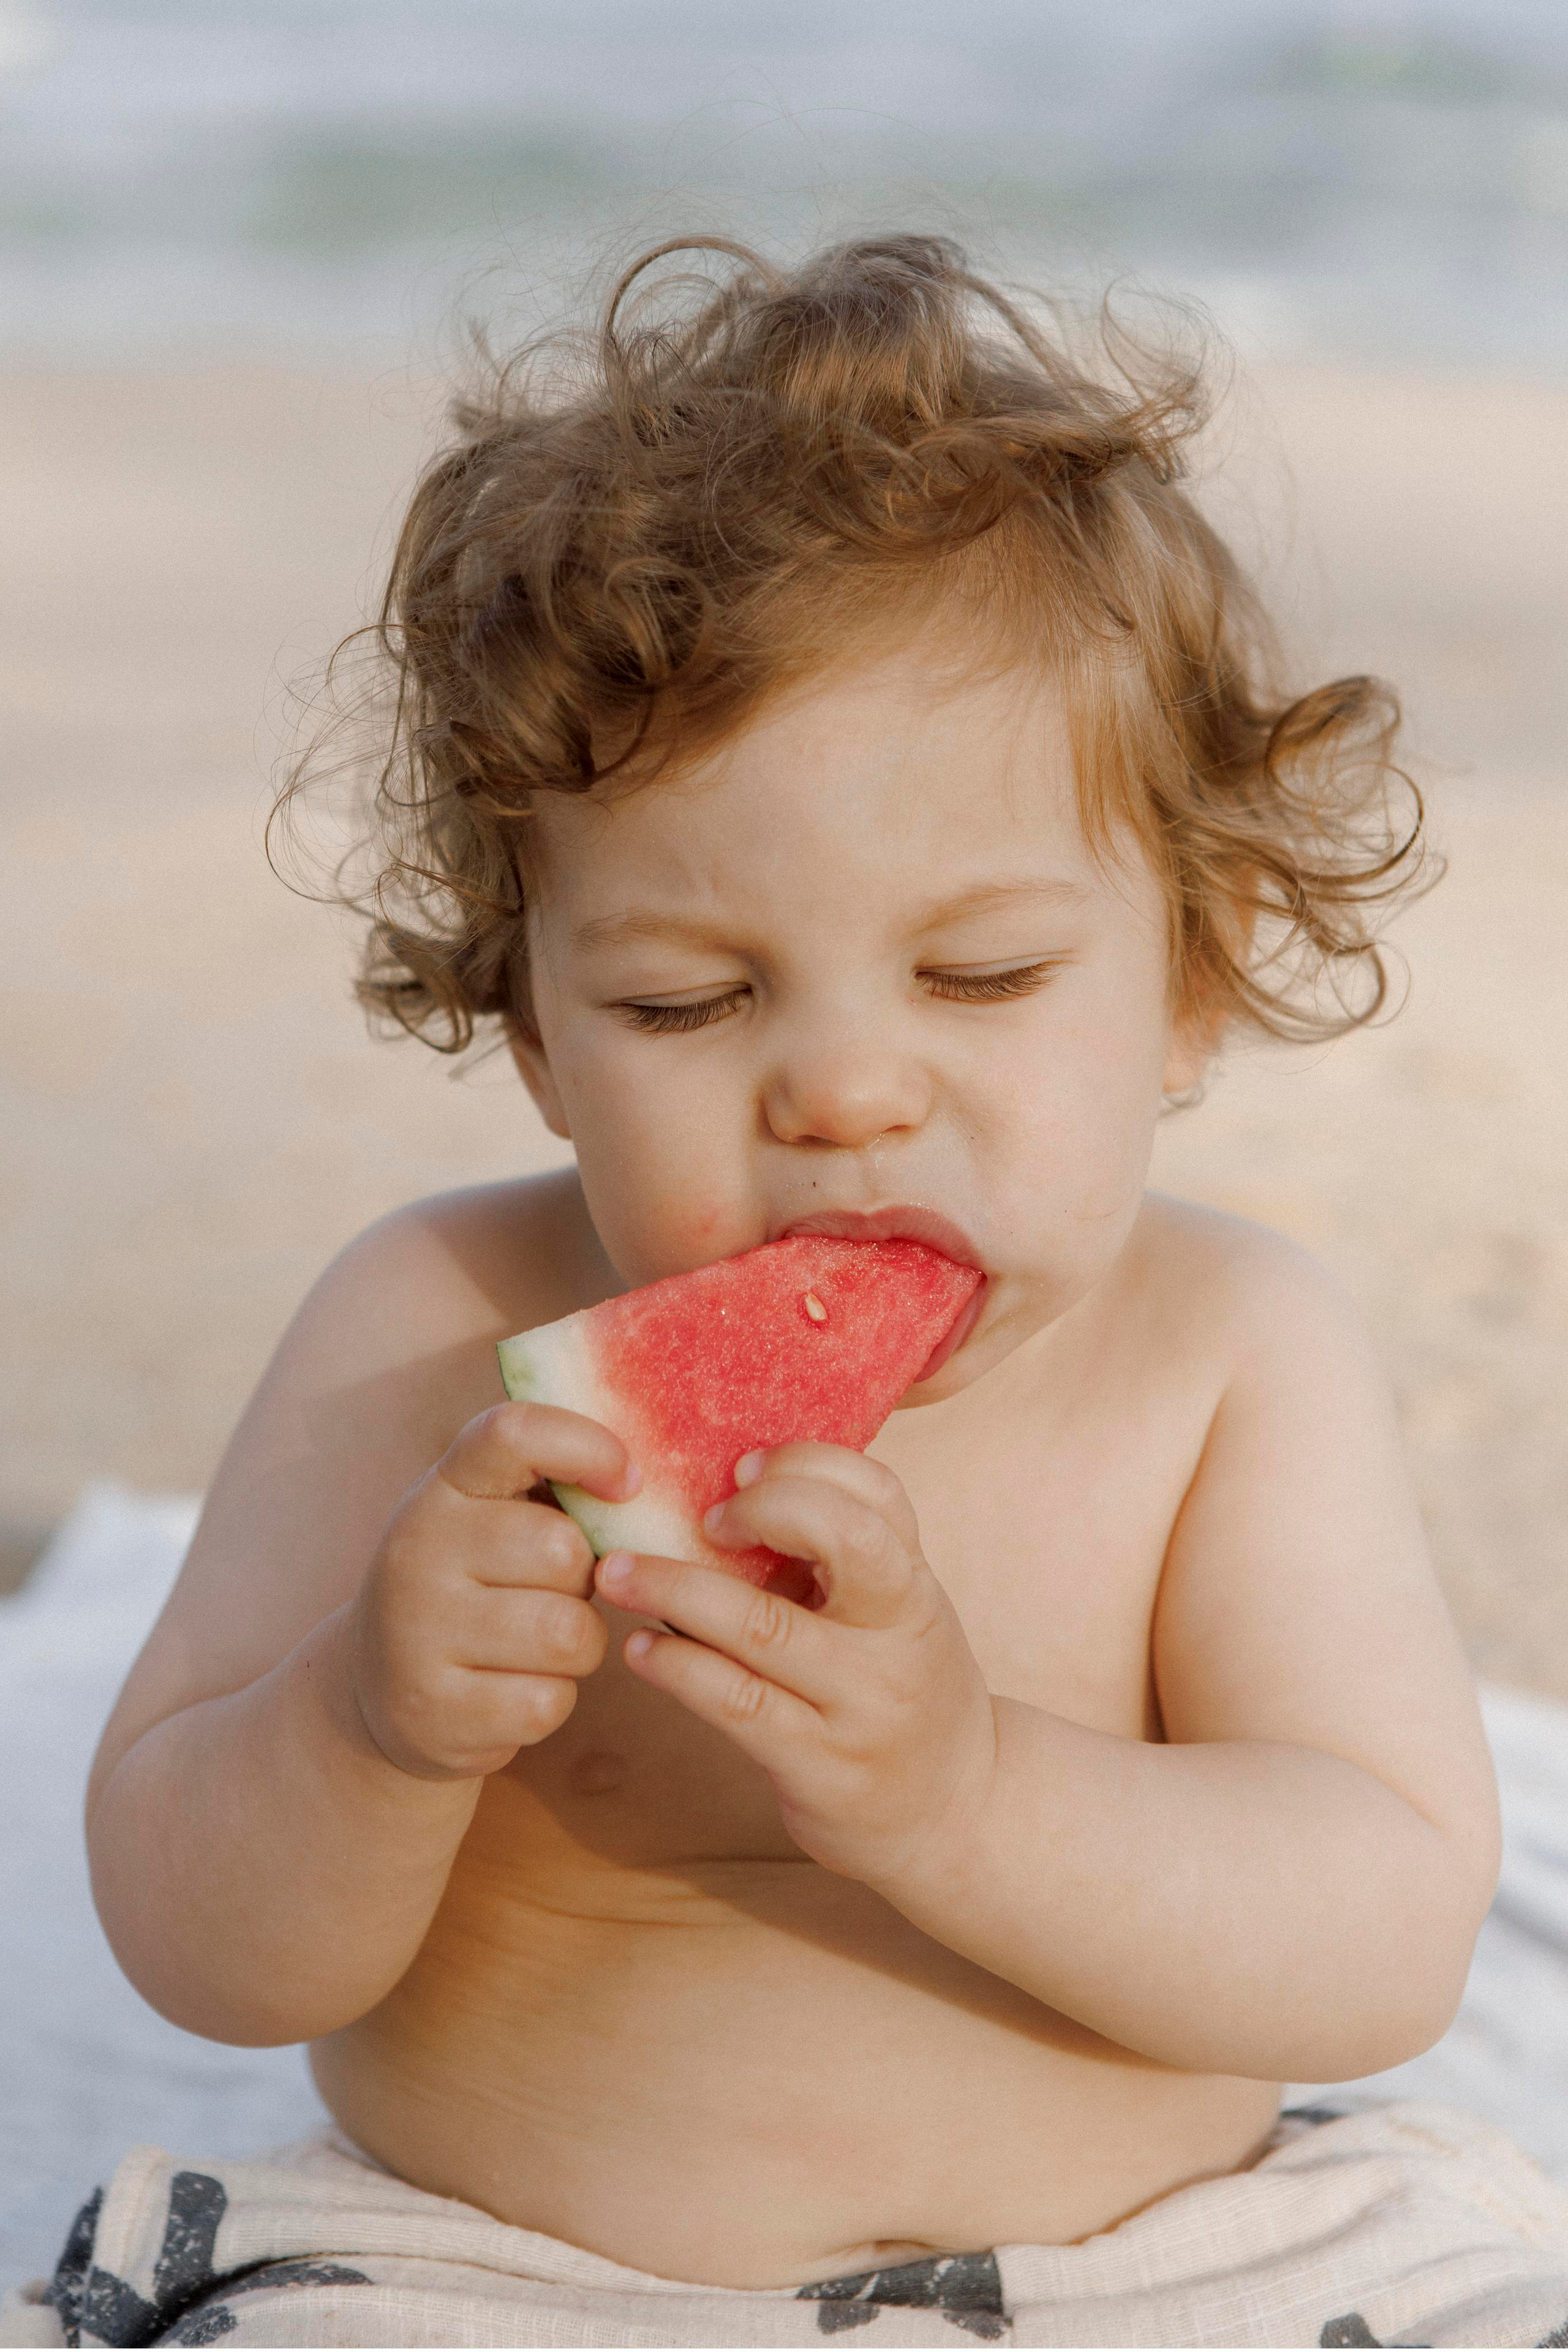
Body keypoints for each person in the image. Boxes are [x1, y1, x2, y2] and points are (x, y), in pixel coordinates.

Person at [12, 235, 1568, 2351]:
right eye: (687, 997)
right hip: (481, 2282)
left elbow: (1380, 1939)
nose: (843, 1091)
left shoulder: (1231, 1358)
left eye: (982, 976)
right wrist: (361, 1728)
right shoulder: (428, 1317)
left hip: (1192, 2279)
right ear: (541, 1037)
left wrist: (971, 1797)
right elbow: (200, 1944)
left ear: (1190, 987)